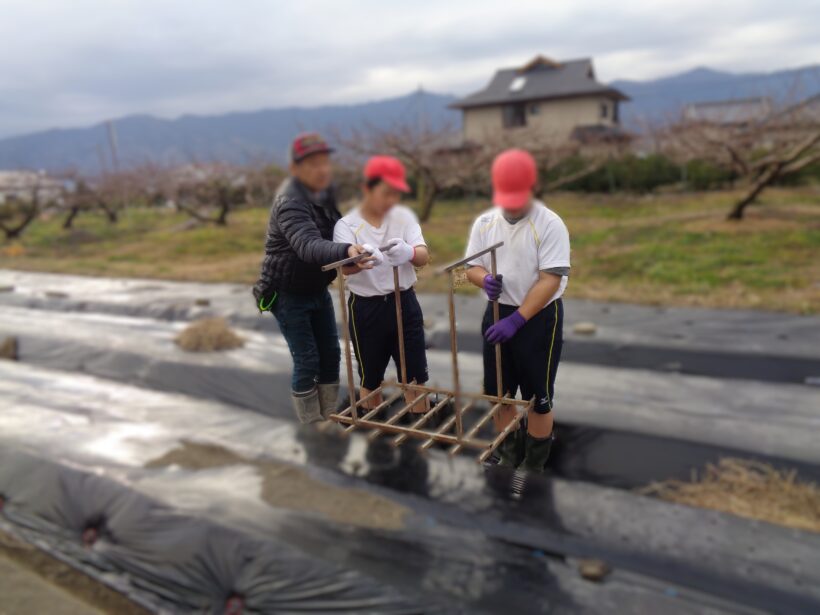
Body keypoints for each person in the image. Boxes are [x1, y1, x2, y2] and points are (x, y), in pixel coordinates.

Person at [254, 132, 371, 424]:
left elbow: (338, 233)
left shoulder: (324, 195)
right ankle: (310, 423)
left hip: (317, 287)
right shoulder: (290, 202)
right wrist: (346, 250)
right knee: (307, 360)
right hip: (287, 293)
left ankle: (328, 414)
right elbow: (308, 246)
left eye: (325, 162)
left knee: (331, 355)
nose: (322, 169)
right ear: (296, 169)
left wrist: (352, 254)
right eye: (313, 164)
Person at [465, 149, 570, 473]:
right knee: (499, 392)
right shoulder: (484, 223)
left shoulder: (549, 224)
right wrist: (483, 281)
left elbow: (550, 279)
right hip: (497, 313)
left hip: (538, 317)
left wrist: (519, 318)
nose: (512, 206)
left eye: (518, 198)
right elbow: (468, 269)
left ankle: (535, 463)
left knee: (538, 395)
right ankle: (508, 454)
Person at [333, 155, 431, 415]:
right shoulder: (347, 225)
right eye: (386, 193)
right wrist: (361, 258)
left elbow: (423, 255)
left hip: (404, 303)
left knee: (415, 378)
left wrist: (409, 253)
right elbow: (344, 267)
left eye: (396, 194)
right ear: (368, 189)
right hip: (367, 309)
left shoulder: (404, 218)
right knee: (370, 378)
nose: (391, 200)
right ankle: (374, 437)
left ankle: (417, 438)